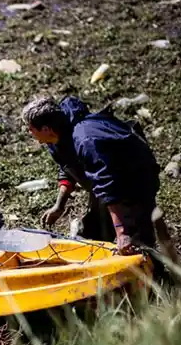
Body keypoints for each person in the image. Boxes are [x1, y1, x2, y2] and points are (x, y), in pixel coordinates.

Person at [20, 95, 161, 255]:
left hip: (134, 179)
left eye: (31, 128)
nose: (29, 132)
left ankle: (154, 272)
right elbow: (68, 166)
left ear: (46, 129)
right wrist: (59, 206)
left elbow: (108, 185)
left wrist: (122, 232)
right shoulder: (56, 138)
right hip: (104, 183)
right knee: (93, 233)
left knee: (136, 243)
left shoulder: (86, 140)